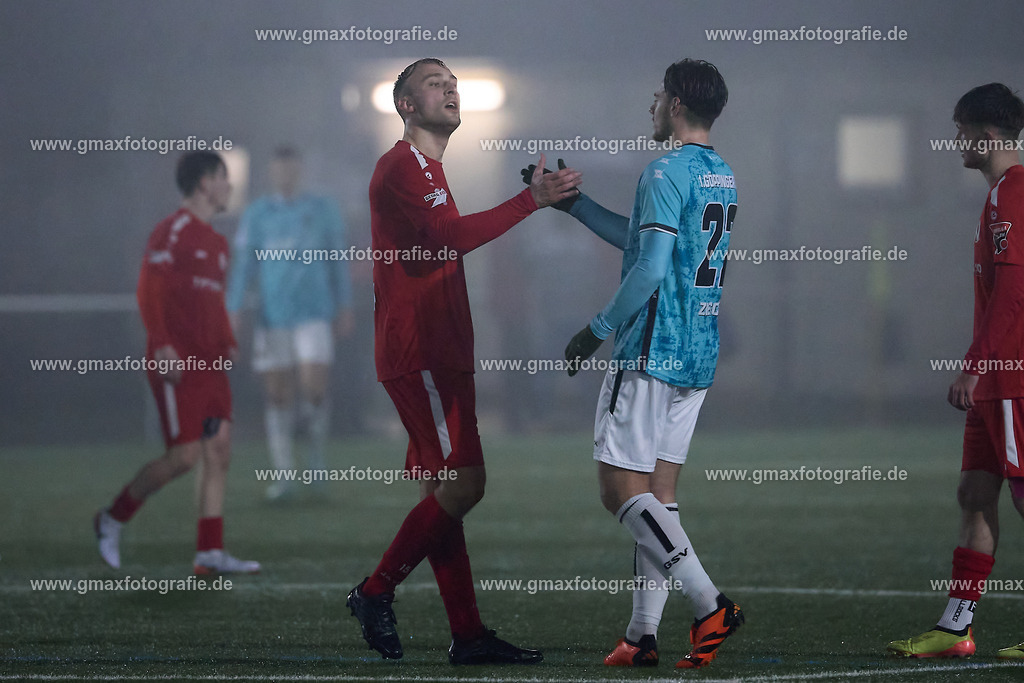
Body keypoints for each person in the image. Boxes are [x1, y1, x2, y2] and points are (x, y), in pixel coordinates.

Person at [345, 57, 580, 665]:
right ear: (403, 105)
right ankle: (375, 591)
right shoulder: (400, 165)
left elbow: (439, 239)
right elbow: (451, 237)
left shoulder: (427, 168)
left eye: (453, 83)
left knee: (444, 495)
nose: (449, 89)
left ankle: (469, 634)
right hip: (422, 351)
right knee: (466, 484)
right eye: (433, 83)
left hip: (436, 350)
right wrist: (530, 200)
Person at [555, 58, 742, 669]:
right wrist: (577, 207)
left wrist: (596, 329)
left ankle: (710, 603)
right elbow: (645, 241)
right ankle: (640, 636)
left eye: (659, 94)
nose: (653, 103)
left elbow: (652, 268)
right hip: (698, 349)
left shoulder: (664, 169)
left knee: (620, 492)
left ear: (679, 104)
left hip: (651, 346)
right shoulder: (721, 173)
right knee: (659, 497)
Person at [887, 83, 1024, 660]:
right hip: (995, 378)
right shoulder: (998, 195)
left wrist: (975, 366)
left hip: (1011, 376)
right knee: (974, 492)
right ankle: (955, 628)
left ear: (988, 135)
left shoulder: (1013, 193)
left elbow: (1015, 291)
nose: (957, 141)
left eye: (962, 130)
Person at [94, 151, 260, 575]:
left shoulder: (218, 242)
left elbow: (213, 302)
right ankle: (113, 517)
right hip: (178, 365)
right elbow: (149, 289)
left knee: (219, 450)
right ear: (204, 182)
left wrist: (227, 341)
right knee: (184, 457)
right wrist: (163, 343)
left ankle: (209, 552)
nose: (229, 185)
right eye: (224, 177)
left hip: (211, 366)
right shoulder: (173, 231)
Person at [226, 146, 354, 501]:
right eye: (280, 169)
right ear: (272, 172)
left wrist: (344, 304)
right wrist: (233, 307)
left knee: (314, 389)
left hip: (315, 313)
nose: (286, 174)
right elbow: (244, 266)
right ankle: (284, 477)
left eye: (292, 168)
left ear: (300, 170)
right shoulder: (258, 214)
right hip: (273, 317)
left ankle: (315, 465)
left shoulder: (321, 209)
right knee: (278, 394)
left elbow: (337, 261)